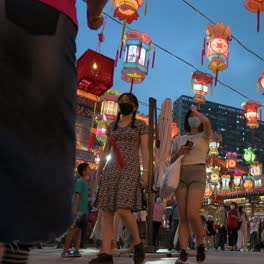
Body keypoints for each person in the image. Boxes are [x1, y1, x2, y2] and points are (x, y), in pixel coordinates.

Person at [0, 0, 107, 263]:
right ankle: (16, 245)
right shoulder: (82, 182)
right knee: (40, 133)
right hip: (49, 16)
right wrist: (94, 14)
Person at [91, 93, 150, 264]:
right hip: (111, 170)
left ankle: (138, 243)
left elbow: (145, 150)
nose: (123, 104)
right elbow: (106, 150)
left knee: (123, 209)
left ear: (135, 106)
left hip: (129, 169)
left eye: (127, 102)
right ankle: (106, 254)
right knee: (107, 211)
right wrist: (99, 172)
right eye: (121, 102)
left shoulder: (140, 126)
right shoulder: (112, 126)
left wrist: (146, 172)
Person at [170, 105, 211, 264]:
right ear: (186, 120)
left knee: (193, 213)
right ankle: (183, 250)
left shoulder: (204, 136)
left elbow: (207, 122)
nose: (193, 118)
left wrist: (196, 111)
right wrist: (179, 152)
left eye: (196, 116)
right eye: (190, 116)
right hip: (180, 174)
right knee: (183, 216)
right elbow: (170, 161)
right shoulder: (178, 138)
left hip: (197, 174)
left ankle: (200, 244)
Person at [62, 163, 92, 258]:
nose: (90, 170)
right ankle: (66, 251)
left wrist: (92, 181)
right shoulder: (79, 182)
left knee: (79, 230)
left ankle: (76, 250)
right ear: (83, 172)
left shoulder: (85, 182)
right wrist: (75, 208)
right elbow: (77, 195)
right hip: (79, 210)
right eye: (88, 169)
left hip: (84, 210)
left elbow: (90, 194)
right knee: (72, 230)